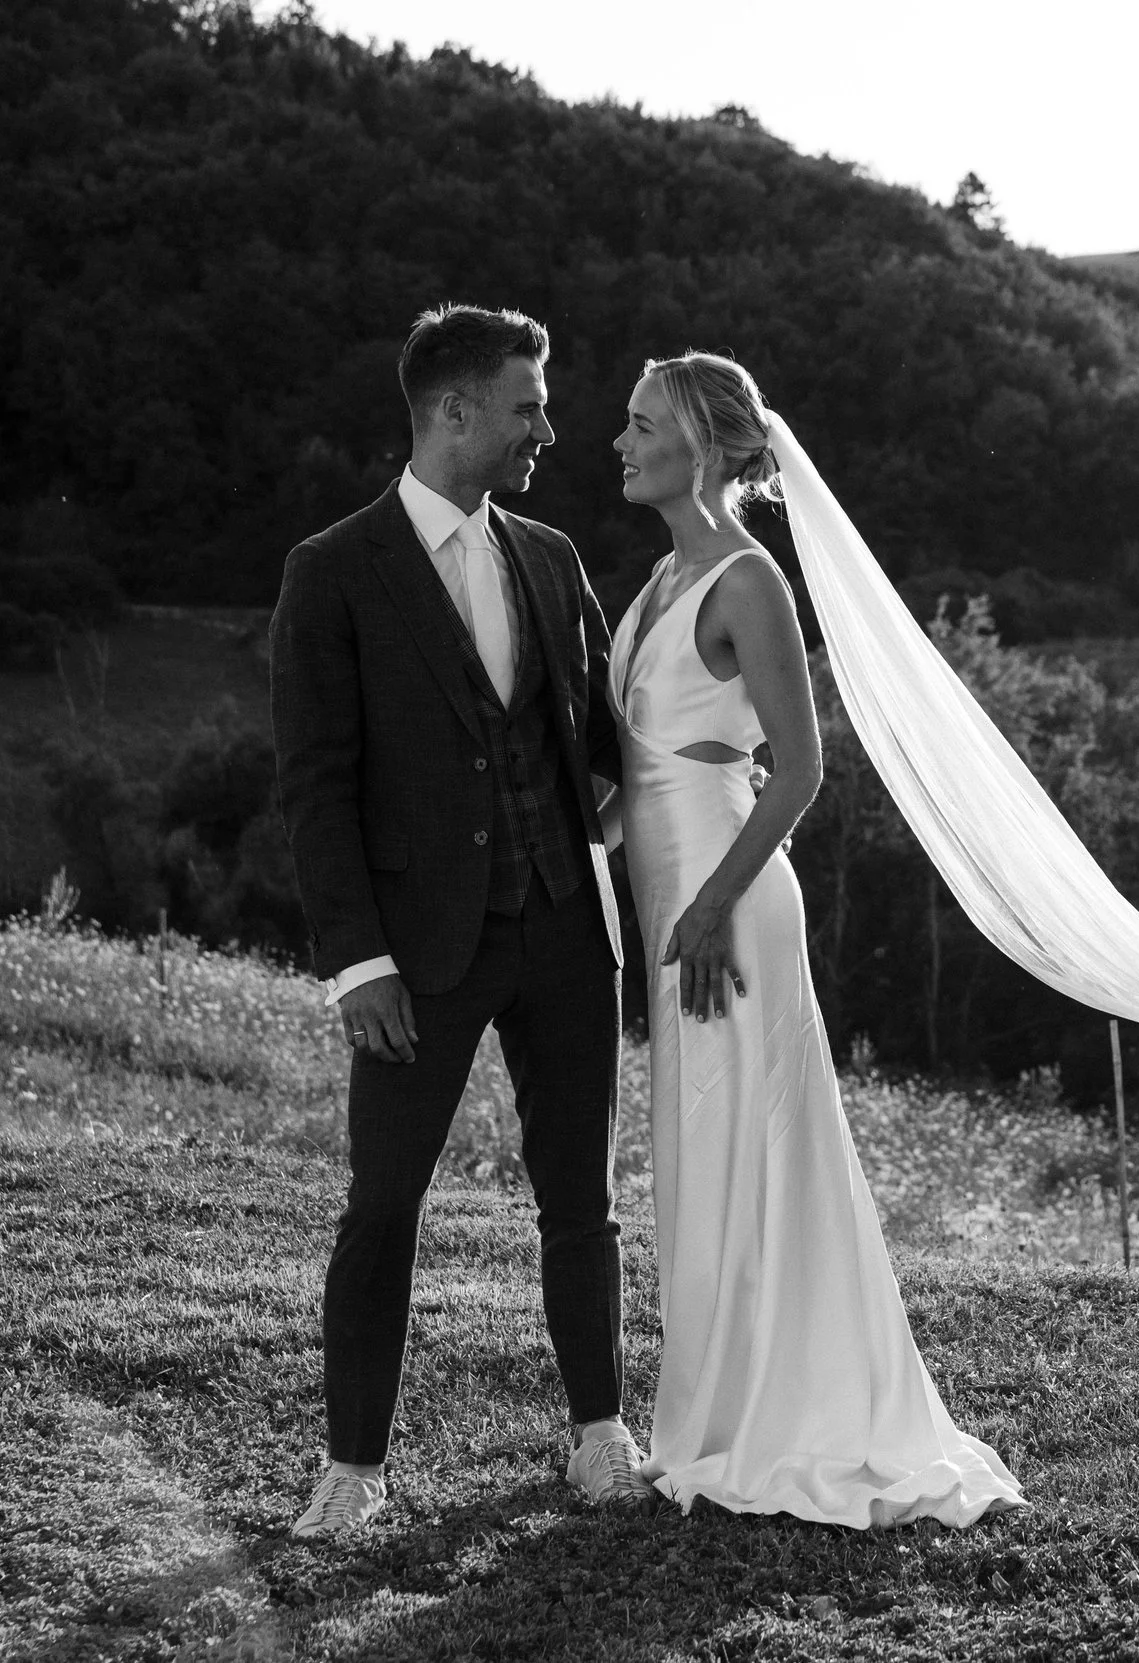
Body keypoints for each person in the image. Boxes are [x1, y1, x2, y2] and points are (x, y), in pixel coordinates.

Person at [607, 352, 1022, 1526]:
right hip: (664, 886)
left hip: (727, 896)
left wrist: (703, 908)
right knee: (702, 1145)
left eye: (642, 428)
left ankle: (788, 1415)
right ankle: (716, 1410)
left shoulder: (747, 582)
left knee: (754, 1141)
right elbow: (637, 766)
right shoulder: (654, 580)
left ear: (703, 447)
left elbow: (799, 773)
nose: (621, 446)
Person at [269, 304, 653, 1540]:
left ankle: (602, 1435)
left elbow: (598, 746)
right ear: (453, 413)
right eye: (527, 405)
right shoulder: (331, 570)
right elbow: (315, 785)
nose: (548, 427)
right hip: (412, 960)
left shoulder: (549, 556)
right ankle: (353, 1467)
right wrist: (356, 961)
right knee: (382, 1205)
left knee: (577, 1199)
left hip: (559, 936)